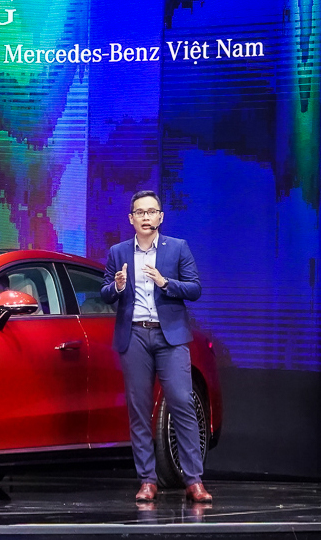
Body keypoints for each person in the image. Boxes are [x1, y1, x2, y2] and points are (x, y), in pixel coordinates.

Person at [101, 190, 212, 504]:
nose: (146, 217)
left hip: (170, 336)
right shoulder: (118, 252)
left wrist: (166, 283)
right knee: (139, 409)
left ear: (161, 217)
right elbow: (105, 293)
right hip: (134, 335)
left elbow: (195, 288)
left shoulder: (177, 248)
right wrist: (117, 287)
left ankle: (194, 480)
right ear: (131, 219)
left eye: (152, 212)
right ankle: (147, 480)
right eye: (140, 212)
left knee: (182, 403)